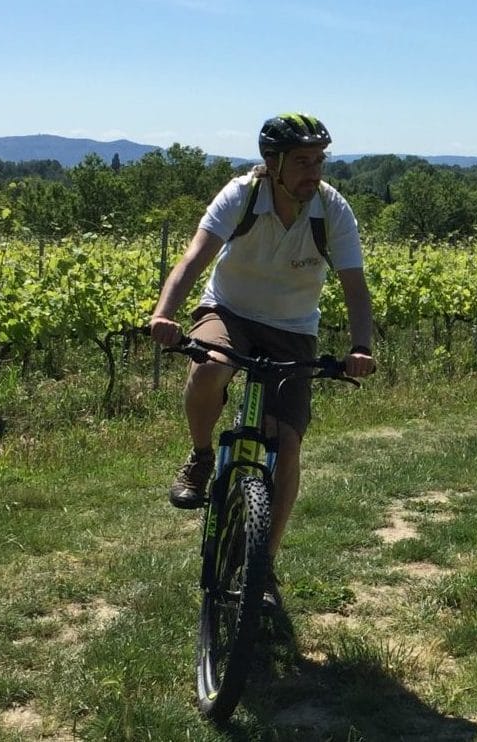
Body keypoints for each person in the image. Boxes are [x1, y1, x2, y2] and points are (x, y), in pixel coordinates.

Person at [147, 112, 377, 597]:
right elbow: (194, 259)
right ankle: (202, 454)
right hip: (229, 310)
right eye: (301, 162)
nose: (314, 172)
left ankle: (263, 568)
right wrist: (164, 314)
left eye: (319, 160)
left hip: (293, 329)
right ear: (271, 164)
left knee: (287, 444)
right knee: (211, 367)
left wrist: (361, 346)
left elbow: (354, 286)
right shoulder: (242, 196)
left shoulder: (332, 210)